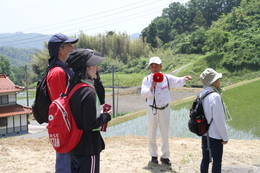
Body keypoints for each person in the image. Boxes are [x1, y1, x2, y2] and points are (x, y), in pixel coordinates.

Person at [65, 48, 112, 173]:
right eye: (94, 65)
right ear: (86, 68)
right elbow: (90, 124)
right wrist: (106, 116)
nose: (96, 68)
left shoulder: (71, 87)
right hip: (88, 147)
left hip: (74, 145)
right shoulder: (88, 92)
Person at [141, 56, 192, 165]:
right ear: (150, 68)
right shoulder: (146, 79)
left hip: (165, 109)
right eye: (152, 66)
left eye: (156, 66)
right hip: (152, 109)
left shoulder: (167, 78)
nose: (154, 68)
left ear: (161, 66)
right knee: (151, 132)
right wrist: (152, 87)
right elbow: (143, 93)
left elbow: (178, 81)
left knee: (165, 133)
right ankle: (153, 155)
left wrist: (185, 78)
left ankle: (165, 156)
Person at [46, 33, 78, 173]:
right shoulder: (58, 72)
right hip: (64, 125)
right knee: (64, 165)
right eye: (69, 45)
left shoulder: (64, 68)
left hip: (68, 123)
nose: (72, 48)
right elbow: (61, 104)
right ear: (60, 49)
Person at [199, 68, 230, 173]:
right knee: (217, 161)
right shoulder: (215, 96)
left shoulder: (201, 94)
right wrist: (225, 137)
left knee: (205, 160)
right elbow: (219, 119)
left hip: (204, 133)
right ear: (212, 82)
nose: (219, 81)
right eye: (217, 79)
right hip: (215, 136)